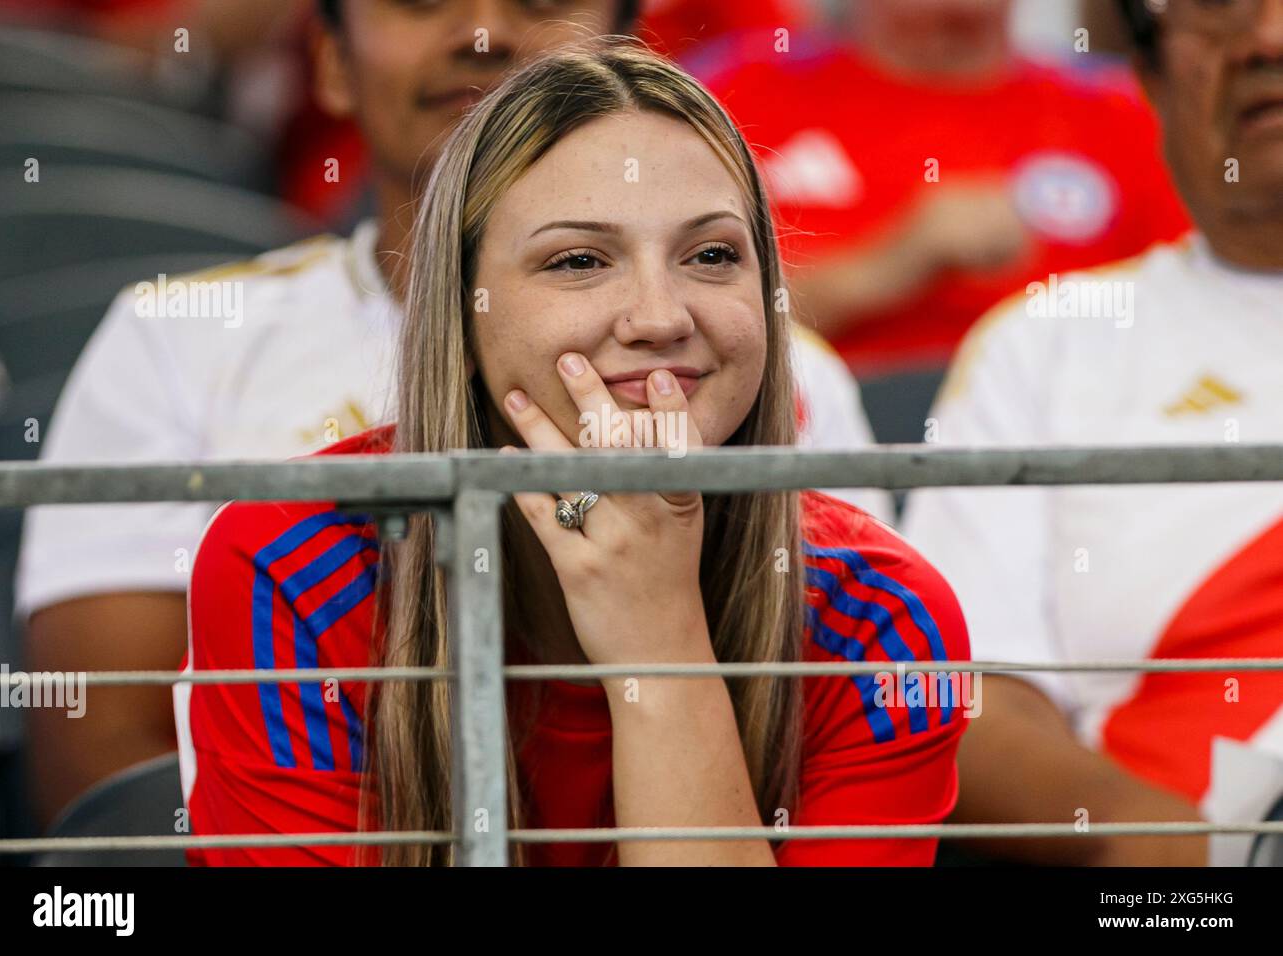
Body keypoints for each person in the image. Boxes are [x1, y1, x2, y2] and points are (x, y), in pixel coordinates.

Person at [14, 0, 889, 833]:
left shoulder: (773, 375)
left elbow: (836, 721)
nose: (482, 33)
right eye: (420, 2)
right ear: (328, 59)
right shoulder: (178, 339)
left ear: (634, 50)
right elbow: (114, 777)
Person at [180, 40, 971, 867]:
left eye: (712, 255)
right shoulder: (286, 560)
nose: (660, 317)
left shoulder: (882, 614)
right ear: (462, 314)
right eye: (579, 261)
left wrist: (659, 646)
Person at [901, 0, 1283, 866]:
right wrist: (1188, 860)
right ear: (1148, 74)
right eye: (1222, 8)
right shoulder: (1046, 346)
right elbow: (966, 702)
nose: (1270, 38)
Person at [687, 0, 1190, 386]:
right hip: (809, 442)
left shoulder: (1125, 113)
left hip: (1069, 430)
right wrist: (889, 264)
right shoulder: (736, 93)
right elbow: (679, 307)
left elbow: (1199, 310)